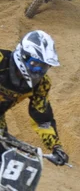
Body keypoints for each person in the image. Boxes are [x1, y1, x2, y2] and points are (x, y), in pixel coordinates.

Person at [0, 30, 69, 166]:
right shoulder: (2, 60)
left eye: (44, 67)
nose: (39, 71)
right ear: (23, 56)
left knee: (5, 162)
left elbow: (42, 119)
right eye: (36, 64)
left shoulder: (41, 85)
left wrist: (56, 147)